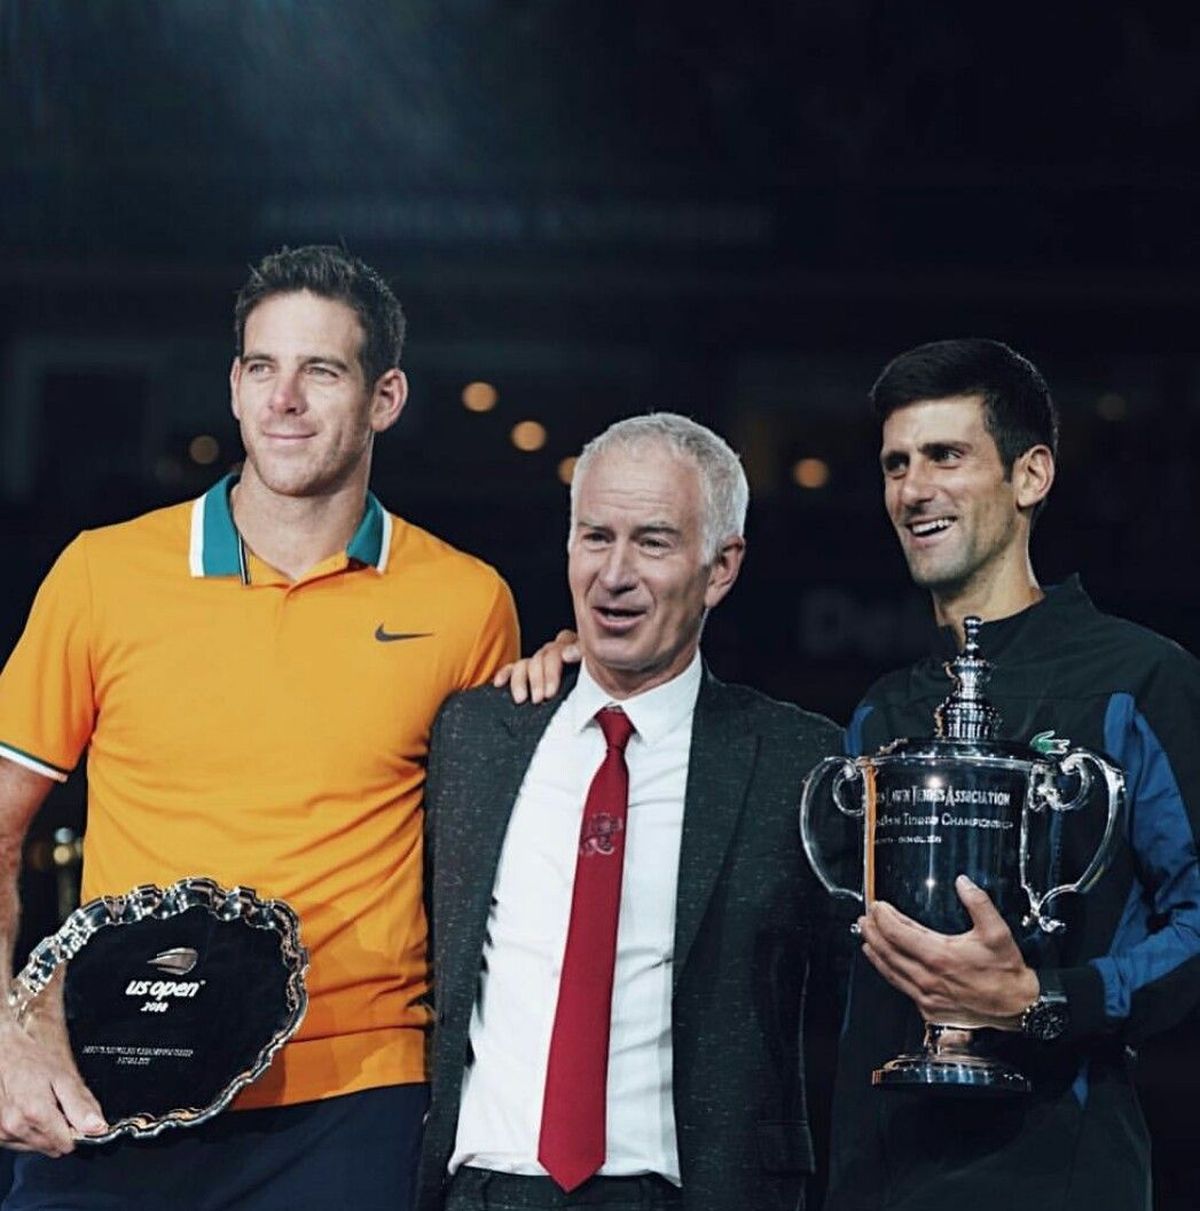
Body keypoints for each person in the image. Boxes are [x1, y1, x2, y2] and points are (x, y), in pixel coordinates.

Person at [0, 245, 519, 1210]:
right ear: (234, 389)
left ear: (386, 398)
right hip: (116, 1078)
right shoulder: (101, 573)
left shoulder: (467, 601)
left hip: (351, 1097)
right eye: (261, 367)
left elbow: (491, 855)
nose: (284, 398)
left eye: (321, 370)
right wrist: (4, 1030)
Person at [417, 413, 840, 1211]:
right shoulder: (476, 736)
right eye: (594, 536)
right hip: (483, 1187)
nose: (614, 573)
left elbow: (866, 998)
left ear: (720, 567)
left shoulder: (795, 760)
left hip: (688, 1191)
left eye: (651, 541)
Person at [824, 338, 1200, 1211]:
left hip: (1055, 1175)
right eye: (895, 464)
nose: (914, 488)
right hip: (876, 1176)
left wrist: (1042, 999)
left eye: (946, 455)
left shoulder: (1140, 679)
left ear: (1031, 477)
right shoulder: (881, 714)